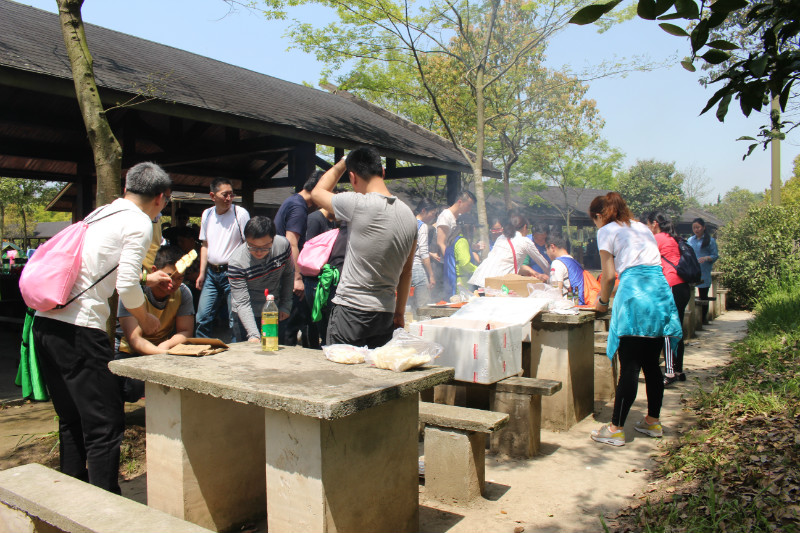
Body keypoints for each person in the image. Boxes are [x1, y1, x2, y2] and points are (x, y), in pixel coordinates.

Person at [32, 161, 172, 493]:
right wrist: (146, 318)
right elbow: (125, 284)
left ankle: (73, 500)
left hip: (46, 324)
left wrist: (145, 276)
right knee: (105, 426)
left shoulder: (101, 214)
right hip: (79, 330)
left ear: (127, 189)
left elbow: (98, 266)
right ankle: (106, 510)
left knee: (72, 421)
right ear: (161, 198)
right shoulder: (139, 222)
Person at [589, 192, 682, 447]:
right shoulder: (641, 227)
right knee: (651, 364)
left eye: (594, 220)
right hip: (659, 294)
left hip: (634, 298)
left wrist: (603, 302)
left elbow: (608, 276)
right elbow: (642, 266)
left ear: (599, 216)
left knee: (629, 365)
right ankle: (652, 422)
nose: (595, 225)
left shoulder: (607, 230)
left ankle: (615, 429)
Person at [310, 147, 417, 348]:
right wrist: (399, 313)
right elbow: (407, 271)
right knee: (376, 377)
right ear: (383, 172)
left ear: (352, 177)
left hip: (350, 312)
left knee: (341, 374)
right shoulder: (409, 216)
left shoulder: (356, 203)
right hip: (385, 314)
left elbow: (317, 193)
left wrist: (342, 163)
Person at [115, 245, 195, 402]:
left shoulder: (183, 293)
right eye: (169, 277)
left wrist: (166, 346)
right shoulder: (134, 291)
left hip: (161, 348)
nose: (174, 283)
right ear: (154, 271)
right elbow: (135, 339)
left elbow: (185, 331)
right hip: (128, 351)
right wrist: (163, 355)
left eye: (180, 278)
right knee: (132, 386)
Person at [195, 178, 250, 340]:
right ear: (213, 196)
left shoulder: (240, 213)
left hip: (233, 272)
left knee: (235, 319)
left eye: (231, 195)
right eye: (224, 195)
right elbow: (205, 244)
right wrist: (201, 272)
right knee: (202, 317)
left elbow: (249, 244)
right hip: (212, 272)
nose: (228, 199)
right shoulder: (208, 214)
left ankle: (236, 355)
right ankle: (200, 350)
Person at [274, 170, 323, 347]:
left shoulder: (293, 201)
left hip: (283, 272)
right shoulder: (298, 206)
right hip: (288, 276)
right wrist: (297, 278)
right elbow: (291, 242)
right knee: (290, 327)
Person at [228, 216, 294, 343]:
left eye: (264, 247)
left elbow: (288, 274)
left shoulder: (283, 245)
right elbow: (242, 303)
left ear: (273, 239)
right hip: (247, 314)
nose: (259, 252)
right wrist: (253, 334)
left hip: (275, 310)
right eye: (252, 246)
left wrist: (286, 305)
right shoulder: (237, 262)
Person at [644, 211, 692, 386]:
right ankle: (678, 370)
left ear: (654, 223)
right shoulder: (672, 238)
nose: (648, 228)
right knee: (676, 328)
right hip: (682, 287)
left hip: (671, 286)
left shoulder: (657, 239)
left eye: (648, 224)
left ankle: (670, 372)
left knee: (667, 329)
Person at [468, 213, 550, 288]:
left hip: (478, 279)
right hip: (494, 284)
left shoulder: (501, 238)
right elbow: (544, 265)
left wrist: (535, 273)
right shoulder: (524, 241)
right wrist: (552, 275)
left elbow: (507, 263)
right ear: (525, 227)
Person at [409, 198, 438, 317]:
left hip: (402, 268)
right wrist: (431, 275)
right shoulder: (422, 226)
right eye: (432, 213)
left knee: (409, 305)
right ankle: (423, 330)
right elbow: (424, 253)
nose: (433, 216)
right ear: (424, 210)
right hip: (416, 268)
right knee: (423, 305)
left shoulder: (407, 222)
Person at [687, 217, 718, 320]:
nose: (696, 230)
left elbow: (715, 255)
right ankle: (692, 318)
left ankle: (703, 318)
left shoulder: (710, 241)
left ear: (703, 227)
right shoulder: (690, 240)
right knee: (690, 294)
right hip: (692, 271)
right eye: (694, 227)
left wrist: (706, 258)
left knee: (703, 296)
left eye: (698, 227)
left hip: (704, 271)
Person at [443, 214, 480, 298]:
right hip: (461, 284)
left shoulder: (453, 240)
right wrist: (478, 270)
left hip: (451, 282)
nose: (475, 230)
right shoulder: (462, 241)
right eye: (474, 227)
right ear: (470, 227)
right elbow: (465, 264)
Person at [546, 235, 586, 302]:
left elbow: (556, 292)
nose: (547, 253)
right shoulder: (574, 262)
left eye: (546, 249)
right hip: (581, 303)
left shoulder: (557, 263)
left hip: (569, 307)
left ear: (552, 247)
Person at [436, 190, 476, 257]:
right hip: (446, 262)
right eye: (469, 206)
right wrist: (450, 261)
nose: (470, 209)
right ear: (460, 202)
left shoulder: (460, 217)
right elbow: (441, 243)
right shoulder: (446, 216)